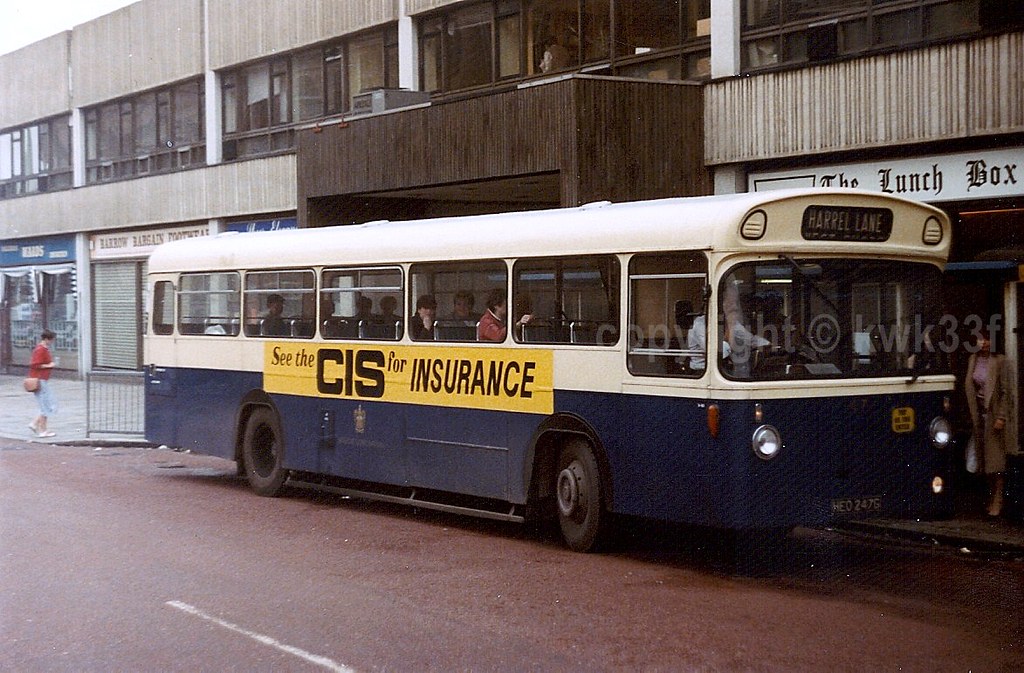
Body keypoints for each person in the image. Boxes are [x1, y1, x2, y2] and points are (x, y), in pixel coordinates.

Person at [964, 329, 1012, 517]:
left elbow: (1006, 392)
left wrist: (1001, 417)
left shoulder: (1000, 361)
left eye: (987, 339)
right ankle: (991, 496)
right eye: (980, 339)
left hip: (994, 416)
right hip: (979, 415)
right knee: (984, 461)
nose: (983, 343)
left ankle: (998, 499)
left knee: (996, 462)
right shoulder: (973, 360)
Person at [28, 329, 58, 438]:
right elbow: (35, 364)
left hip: (40, 379)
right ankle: (42, 430)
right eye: (51, 339)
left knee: (45, 405)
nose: (52, 342)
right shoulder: (41, 350)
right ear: (46, 339)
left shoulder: (42, 349)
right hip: (40, 379)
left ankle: (34, 424)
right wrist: (49, 365)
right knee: (47, 405)